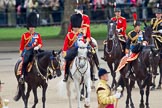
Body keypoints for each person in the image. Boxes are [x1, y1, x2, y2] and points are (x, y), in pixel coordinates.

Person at [68, 5, 99, 81]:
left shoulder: (85, 17)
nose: (79, 11)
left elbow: (86, 27)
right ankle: (67, 73)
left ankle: (96, 68)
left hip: (85, 37)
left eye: (80, 10)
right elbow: (70, 28)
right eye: (78, 10)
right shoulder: (73, 17)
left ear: (82, 11)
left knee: (92, 50)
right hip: (76, 37)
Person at [19, 11, 43, 83]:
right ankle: (22, 76)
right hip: (28, 51)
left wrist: (38, 46)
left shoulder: (37, 35)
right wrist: (21, 54)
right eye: (30, 27)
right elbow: (22, 46)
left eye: (33, 27)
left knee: (45, 57)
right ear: (28, 27)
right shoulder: (25, 35)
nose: (32, 28)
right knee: (25, 61)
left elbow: (40, 43)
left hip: (36, 50)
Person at [62, 13, 84, 82]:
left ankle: (91, 73)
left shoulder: (81, 34)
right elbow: (65, 45)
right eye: (75, 27)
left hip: (81, 50)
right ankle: (66, 74)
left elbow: (84, 41)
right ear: (72, 27)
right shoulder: (69, 35)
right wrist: (65, 52)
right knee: (68, 61)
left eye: (78, 27)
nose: (76, 28)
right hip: (71, 51)